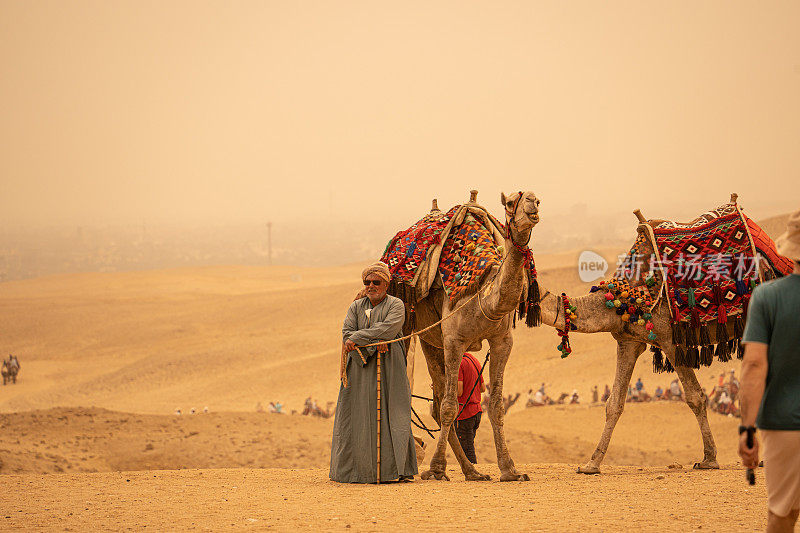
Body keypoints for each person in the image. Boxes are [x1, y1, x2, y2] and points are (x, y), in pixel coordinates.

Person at [739, 211, 800, 532]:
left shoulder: (767, 297)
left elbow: (753, 365)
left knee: (781, 513)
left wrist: (746, 429)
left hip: (782, 424)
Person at [330, 261, 417, 483]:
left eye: (376, 282)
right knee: (358, 414)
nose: (371, 286)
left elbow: (390, 328)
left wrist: (359, 338)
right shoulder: (356, 307)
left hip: (390, 364)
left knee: (394, 411)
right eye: (367, 282)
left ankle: (393, 471)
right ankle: (355, 471)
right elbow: (346, 331)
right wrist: (372, 342)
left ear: (386, 284)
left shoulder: (396, 305)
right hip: (359, 366)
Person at [455, 352, 485, 464]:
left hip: (465, 413)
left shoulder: (460, 363)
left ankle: (473, 473)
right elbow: (483, 388)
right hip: (477, 411)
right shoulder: (475, 361)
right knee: (469, 444)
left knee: (467, 450)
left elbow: (459, 391)